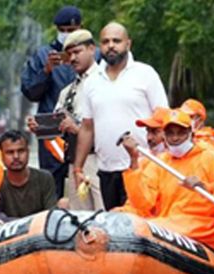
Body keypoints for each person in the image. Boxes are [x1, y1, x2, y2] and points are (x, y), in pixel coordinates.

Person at [120, 108, 214, 250]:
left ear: (191, 134)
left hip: (203, 227)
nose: (175, 138)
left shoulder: (209, 156)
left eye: (181, 133)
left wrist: (206, 187)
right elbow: (142, 204)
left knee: (145, 229)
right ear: (165, 136)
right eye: (170, 133)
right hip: (171, 224)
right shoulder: (161, 162)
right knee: (121, 219)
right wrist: (134, 160)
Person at [73, 22, 168, 210]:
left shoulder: (145, 74)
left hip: (142, 168)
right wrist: (78, 168)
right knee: (113, 229)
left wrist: (164, 159)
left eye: (116, 41)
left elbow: (163, 119)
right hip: (107, 170)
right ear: (100, 46)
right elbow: (87, 127)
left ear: (128, 44)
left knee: (141, 225)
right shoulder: (92, 81)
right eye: (106, 41)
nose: (111, 46)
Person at [27, 29, 103, 211]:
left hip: (99, 161)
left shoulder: (105, 82)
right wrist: (41, 127)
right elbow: (58, 127)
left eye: (78, 52)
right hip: (74, 162)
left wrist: (77, 128)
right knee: (80, 221)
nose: (73, 58)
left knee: (105, 217)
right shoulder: (67, 91)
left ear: (92, 49)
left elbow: (110, 129)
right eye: (69, 54)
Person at [21, 6, 82, 199]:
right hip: (51, 129)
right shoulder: (42, 55)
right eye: (63, 30)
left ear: (81, 28)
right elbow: (30, 91)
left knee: (82, 176)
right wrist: (46, 71)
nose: (67, 35)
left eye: (71, 31)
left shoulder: (93, 55)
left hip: (83, 127)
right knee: (52, 179)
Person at [0, 130, 58, 218]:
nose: (16, 157)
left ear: (28, 152)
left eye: (21, 151)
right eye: (10, 152)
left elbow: (51, 214)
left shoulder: (44, 178)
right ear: (1, 155)